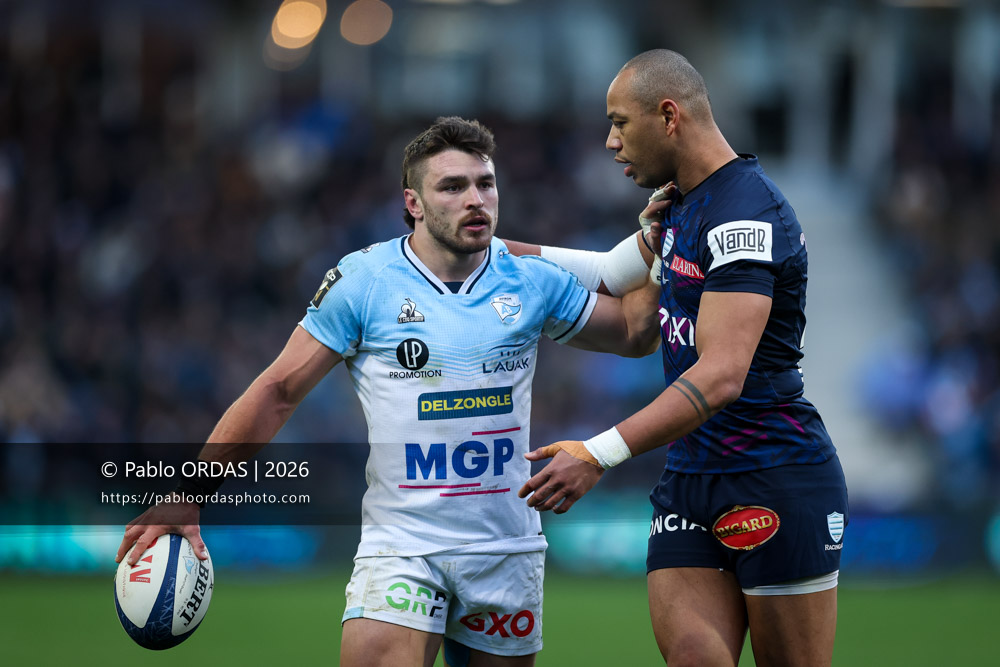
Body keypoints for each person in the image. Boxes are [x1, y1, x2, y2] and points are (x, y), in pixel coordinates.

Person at [116, 116, 662, 667]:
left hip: (506, 549)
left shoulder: (531, 279)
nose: (475, 199)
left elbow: (636, 334)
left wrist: (664, 246)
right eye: (452, 186)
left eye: (485, 184)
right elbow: (277, 390)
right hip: (402, 546)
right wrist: (191, 491)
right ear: (414, 202)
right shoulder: (365, 281)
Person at [517, 49, 849, 667]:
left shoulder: (746, 213)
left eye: (619, 122)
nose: (611, 141)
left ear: (668, 116)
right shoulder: (681, 204)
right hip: (691, 479)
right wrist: (478, 250)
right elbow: (613, 284)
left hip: (772, 472)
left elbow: (721, 375)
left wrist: (598, 453)